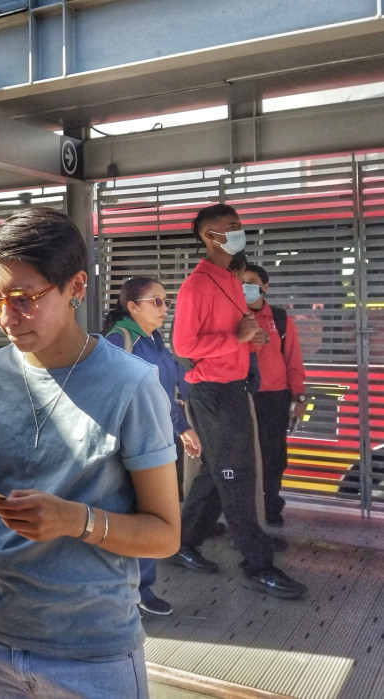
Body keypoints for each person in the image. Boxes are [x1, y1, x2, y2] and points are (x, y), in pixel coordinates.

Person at [0, 208, 180, 698]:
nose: (6, 317)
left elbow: (165, 534)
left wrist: (77, 521)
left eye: (24, 298)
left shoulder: (132, 385)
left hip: (91, 648)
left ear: (76, 286)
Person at [167, 203, 306, 600]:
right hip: (213, 391)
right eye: (230, 226)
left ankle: (183, 542)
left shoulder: (229, 279)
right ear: (210, 236)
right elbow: (183, 345)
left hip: (233, 387)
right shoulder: (197, 285)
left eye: (239, 225)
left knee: (219, 469)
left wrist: (249, 340)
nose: (238, 231)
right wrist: (238, 340)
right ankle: (257, 564)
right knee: (237, 475)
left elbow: (235, 332)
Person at [103, 276, 201, 617]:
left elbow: (168, 386)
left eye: (165, 301)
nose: (165, 308)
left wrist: (183, 426)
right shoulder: (120, 340)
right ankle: (132, 591)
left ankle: (137, 588)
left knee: (149, 513)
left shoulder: (154, 339)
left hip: (154, 438)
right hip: (130, 442)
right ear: (132, 307)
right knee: (139, 515)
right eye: (156, 302)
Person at [241, 263, 306, 528]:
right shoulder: (233, 316)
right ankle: (244, 512)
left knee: (274, 455)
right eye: (242, 281)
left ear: (264, 287)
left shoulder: (279, 319)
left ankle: (270, 507)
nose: (246, 286)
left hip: (275, 398)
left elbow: (294, 361)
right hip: (242, 396)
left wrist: (299, 397)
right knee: (243, 456)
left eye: (252, 281)